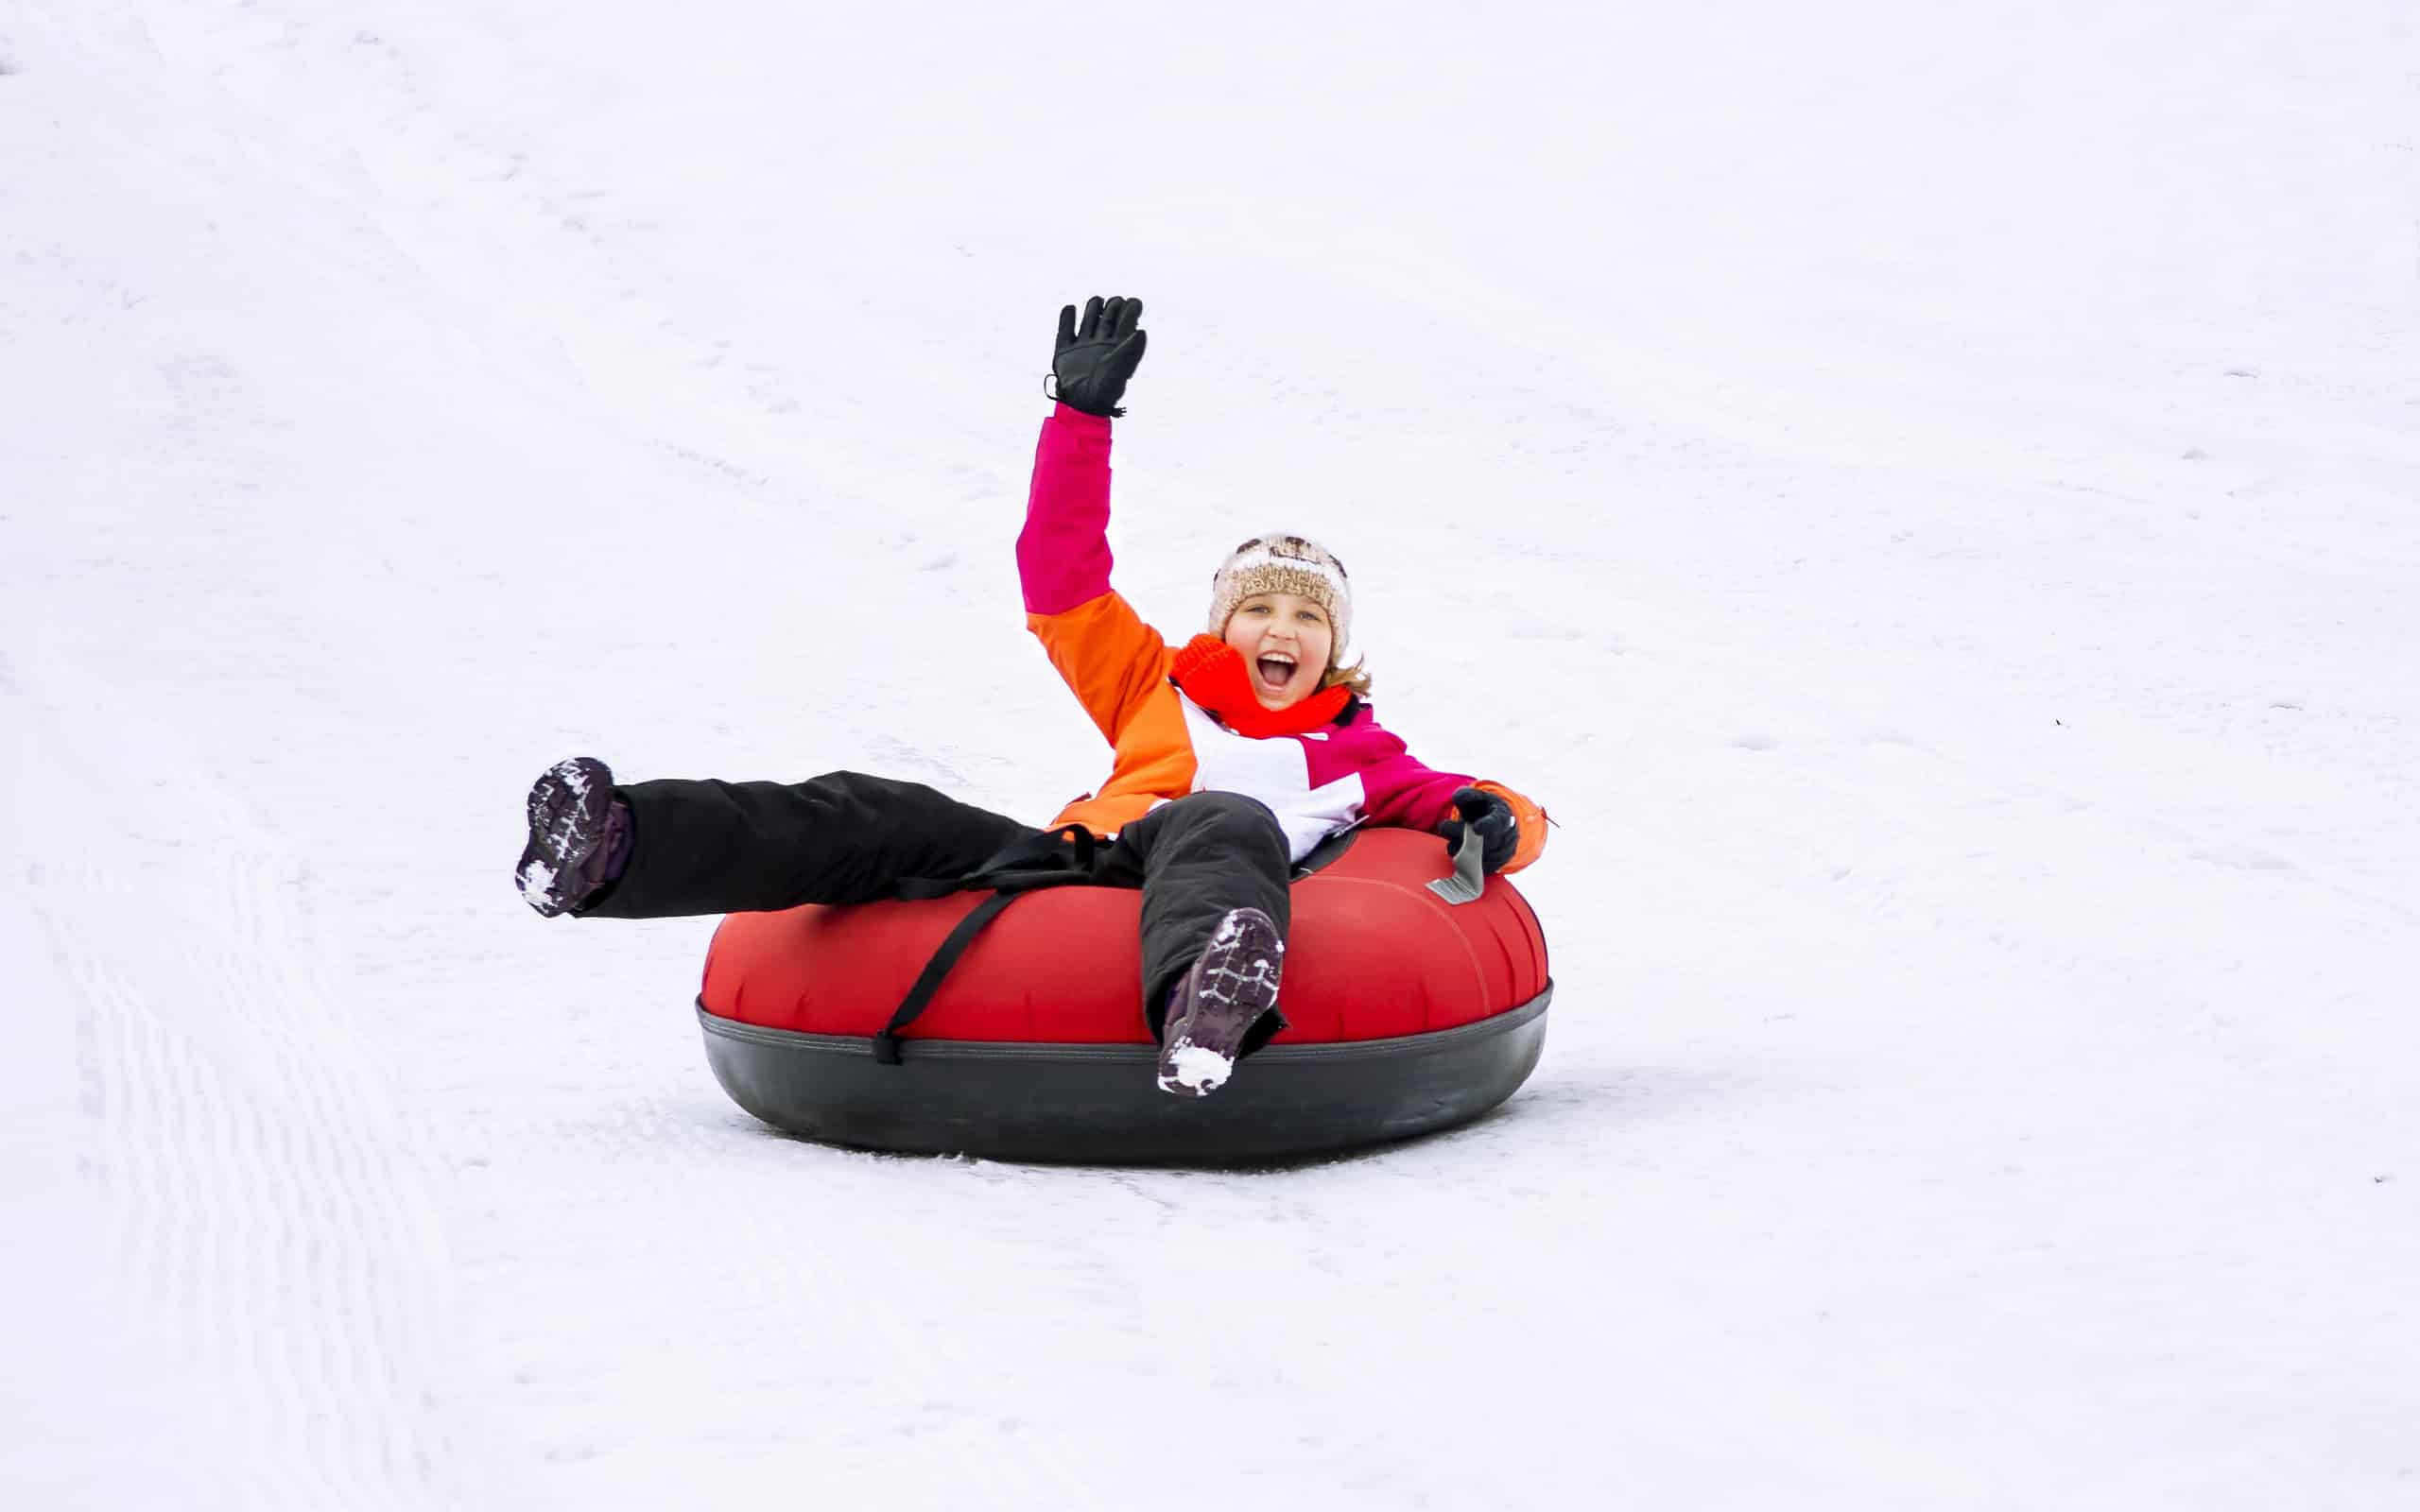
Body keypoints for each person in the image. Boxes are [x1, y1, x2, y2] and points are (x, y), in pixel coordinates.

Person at [515, 295, 1548, 1097]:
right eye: (1259, 609)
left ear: (1333, 648)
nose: (1281, 631)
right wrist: (1080, 419)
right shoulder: (1153, 681)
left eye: (1308, 618)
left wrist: (1504, 818)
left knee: (1220, 815)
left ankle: (1207, 1007)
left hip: (1208, 865)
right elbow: (1060, 579)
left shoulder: (1360, 753)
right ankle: (612, 846)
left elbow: (1470, 805)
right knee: (883, 808)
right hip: (1082, 859)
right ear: (1223, 622)